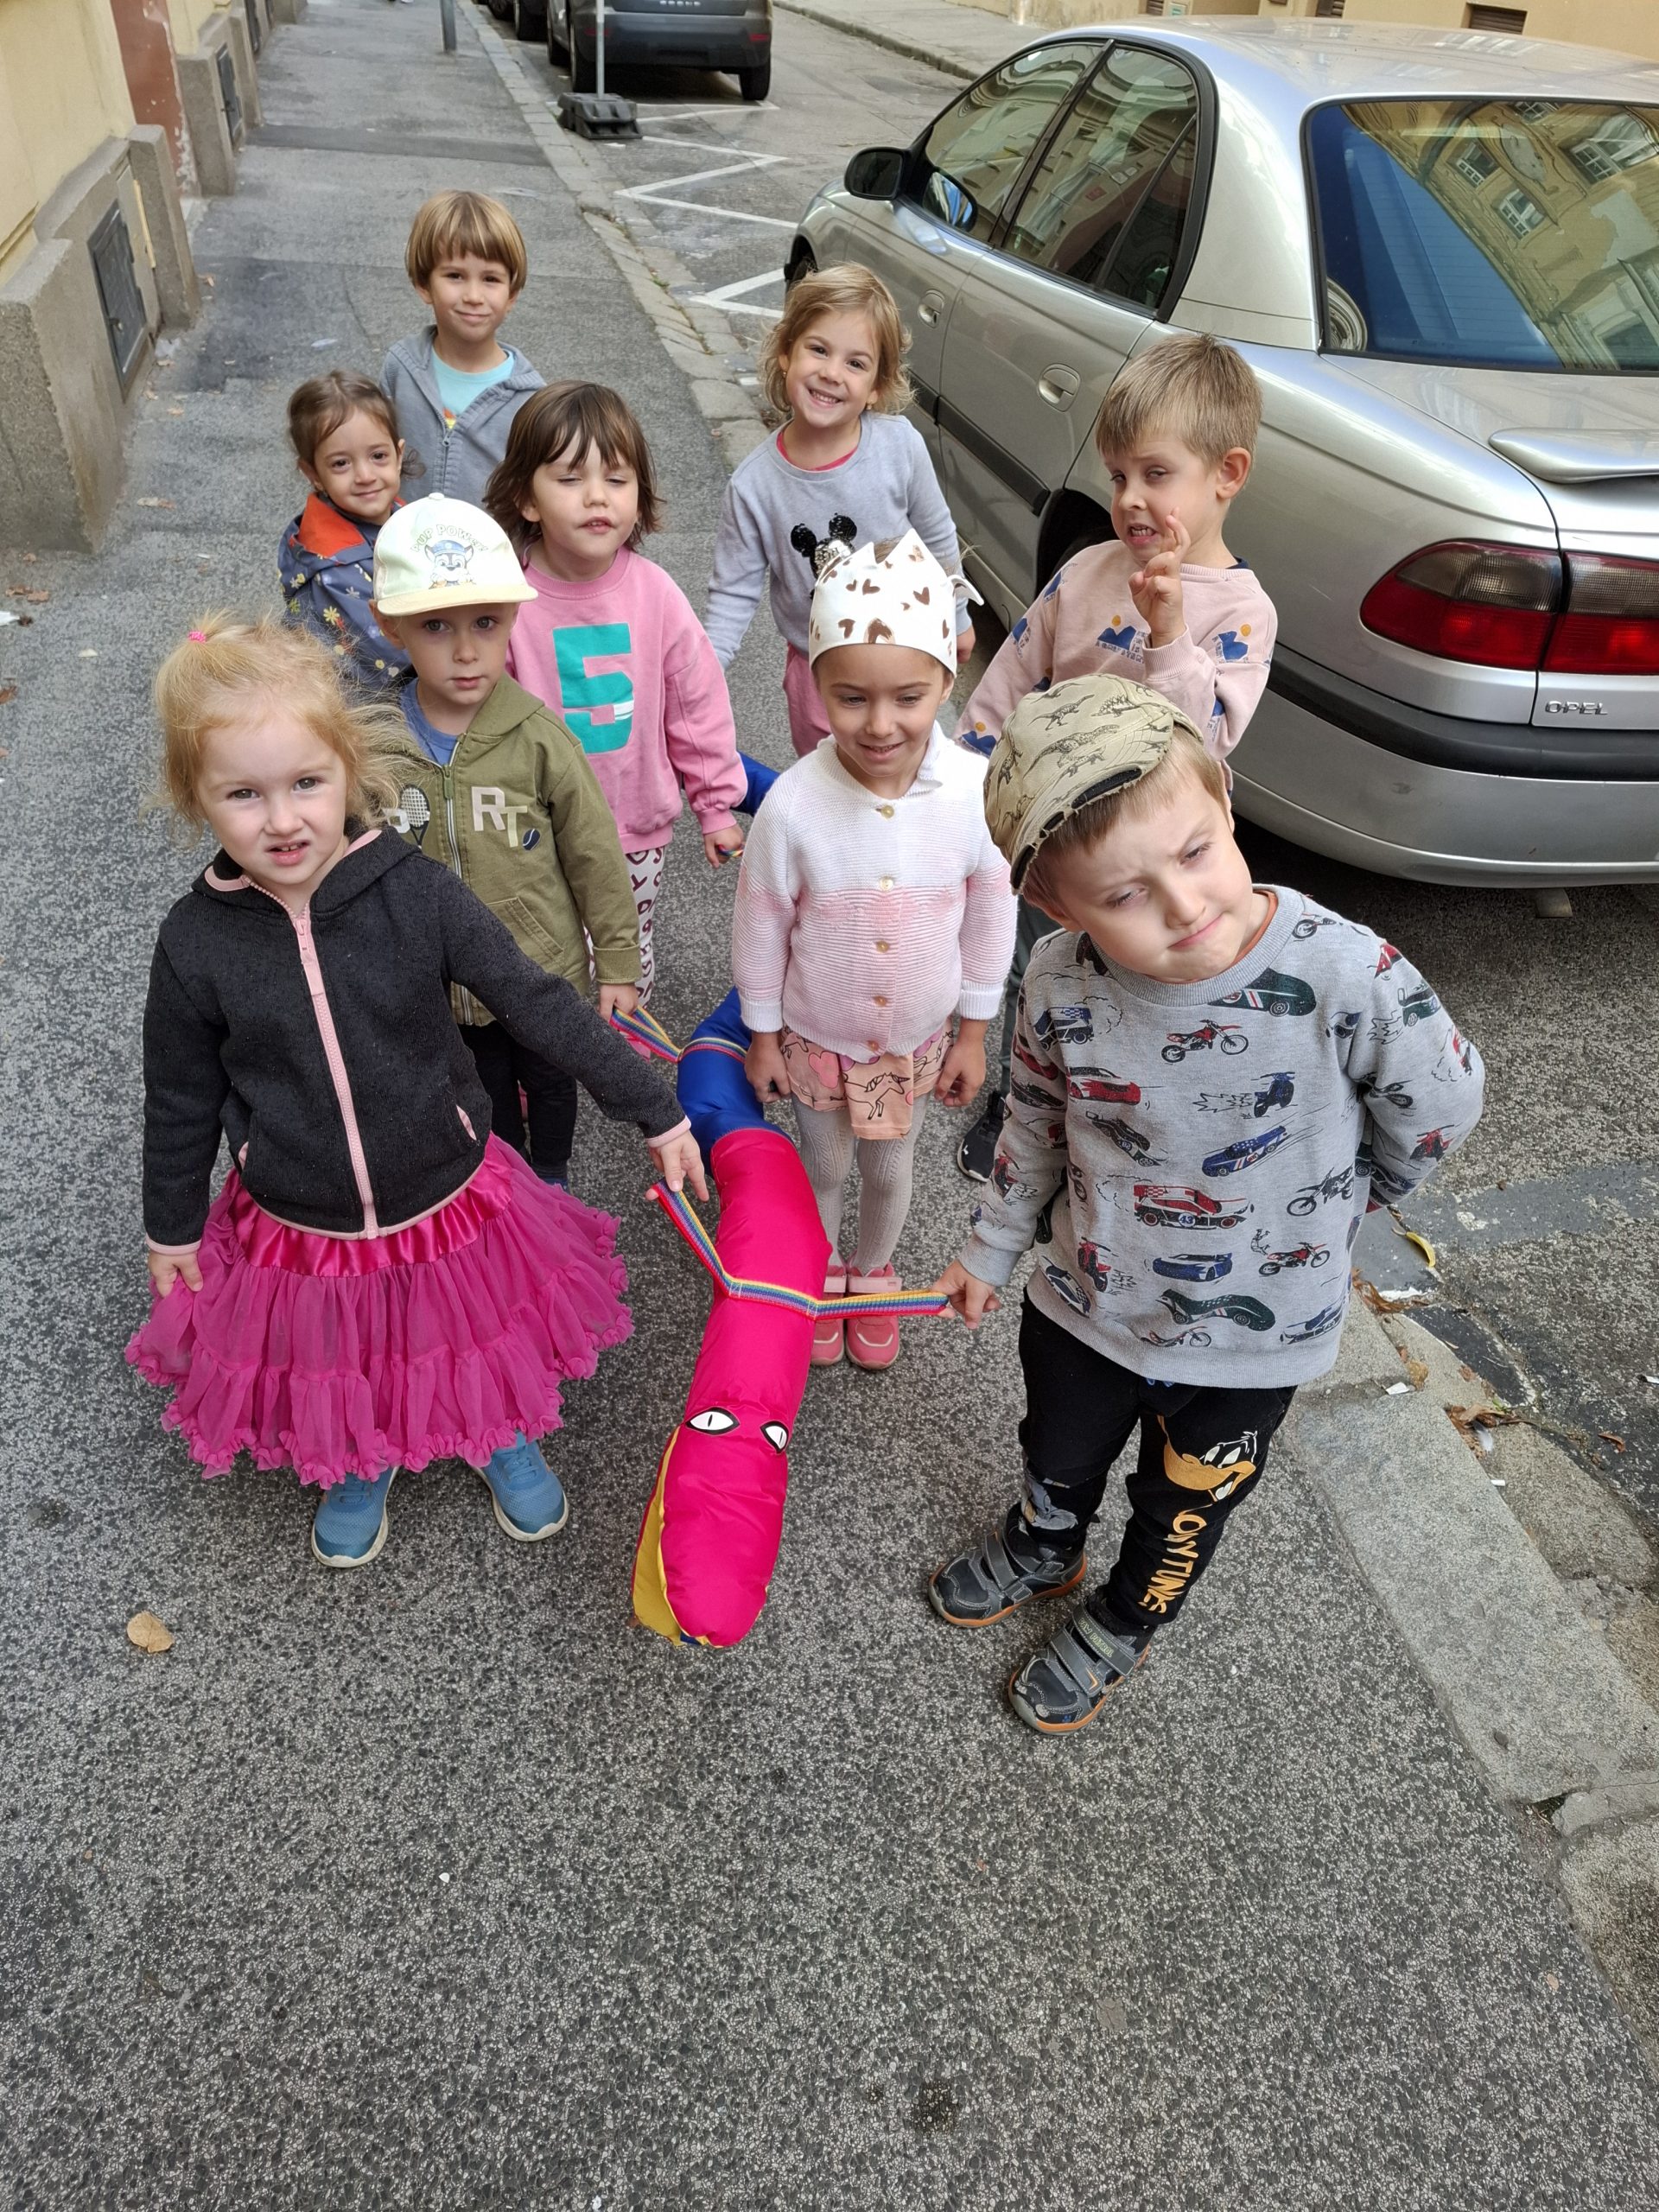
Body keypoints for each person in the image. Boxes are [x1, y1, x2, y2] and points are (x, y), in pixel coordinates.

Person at [931, 674, 1484, 1735]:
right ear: (1059, 906)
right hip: (1086, 1302)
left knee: (1186, 1502)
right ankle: (1047, 1541)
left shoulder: (1345, 972)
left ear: (1224, 802)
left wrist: (1364, 1193)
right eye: (1125, 895)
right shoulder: (1058, 982)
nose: (1185, 906)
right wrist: (992, 1247)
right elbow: (1035, 1121)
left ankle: (1127, 1616)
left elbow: (1443, 1098)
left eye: (1194, 852)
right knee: (1057, 1445)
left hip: (1253, 1339)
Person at [127, 615, 704, 1570]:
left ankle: (495, 1426)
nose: (283, 820)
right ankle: (363, 1451)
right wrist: (171, 1226)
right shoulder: (195, 943)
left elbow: (534, 1000)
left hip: (444, 1180)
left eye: (306, 783)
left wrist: (655, 1105)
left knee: (467, 1323)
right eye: (244, 794)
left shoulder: (413, 890)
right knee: (342, 1349)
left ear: (348, 769)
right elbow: (180, 1097)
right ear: (198, 798)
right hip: (301, 1211)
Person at [952, 334, 1278, 1183]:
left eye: (1155, 473)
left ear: (1227, 474)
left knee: (1145, 988)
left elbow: (1205, 739)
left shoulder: (1241, 612)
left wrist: (1169, 632)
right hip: (1059, 842)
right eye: (1118, 475)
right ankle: (1020, 1106)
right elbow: (1014, 677)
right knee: (1033, 972)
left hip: (1162, 860)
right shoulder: (1087, 571)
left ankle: (1128, 1119)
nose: (1130, 497)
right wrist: (966, 778)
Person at [733, 531, 1015, 1372]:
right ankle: (820, 1269)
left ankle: (874, 1271)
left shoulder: (972, 794)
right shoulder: (793, 805)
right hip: (816, 1035)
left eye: (908, 697)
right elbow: (760, 922)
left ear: (947, 681)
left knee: (891, 1169)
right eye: (851, 698)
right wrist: (761, 1034)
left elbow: (990, 914)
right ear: (816, 684)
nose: (881, 724)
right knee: (821, 1166)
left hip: (912, 1042)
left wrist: (974, 1032)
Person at [370, 494, 643, 1191]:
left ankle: (550, 1180)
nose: (466, 651)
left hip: (542, 968)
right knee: (481, 1091)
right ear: (390, 624)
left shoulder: (539, 737)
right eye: (436, 625)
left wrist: (618, 963)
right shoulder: (375, 746)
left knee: (552, 1083)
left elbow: (594, 855)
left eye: (486, 623)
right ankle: (508, 1189)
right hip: (444, 983)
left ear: (513, 619)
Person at [487, 382, 746, 1001]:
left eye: (617, 479)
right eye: (570, 478)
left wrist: (715, 804)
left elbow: (696, 704)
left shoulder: (655, 593)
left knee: (624, 951)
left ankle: (621, 1039)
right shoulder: (508, 599)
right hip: (536, 829)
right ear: (526, 498)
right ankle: (551, 1042)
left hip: (632, 822)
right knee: (539, 950)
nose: (597, 496)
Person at [705, 264, 975, 760]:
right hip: (820, 674)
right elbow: (732, 593)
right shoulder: (754, 486)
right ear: (786, 351)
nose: (832, 372)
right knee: (828, 784)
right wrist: (702, 673)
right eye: (818, 349)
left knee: (907, 776)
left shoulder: (899, 447)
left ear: (876, 385)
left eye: (856, 363)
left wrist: (957, 615)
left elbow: (938, 537)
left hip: (905, 659)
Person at [381, 190, 543, 507]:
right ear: (424, 285)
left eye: (491, 279)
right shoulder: (400, 368)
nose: (473, 296)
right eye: (455, 276)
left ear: (512, 295)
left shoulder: (531, 400)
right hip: (401, 536)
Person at [279, 372, 413, 692]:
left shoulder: (401, 513)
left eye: (378, 456)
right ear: (313, 473)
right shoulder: (333, 571)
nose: (365, 475)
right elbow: (398, 655)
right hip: (364, 706)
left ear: (398, 456)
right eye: (341, 463)